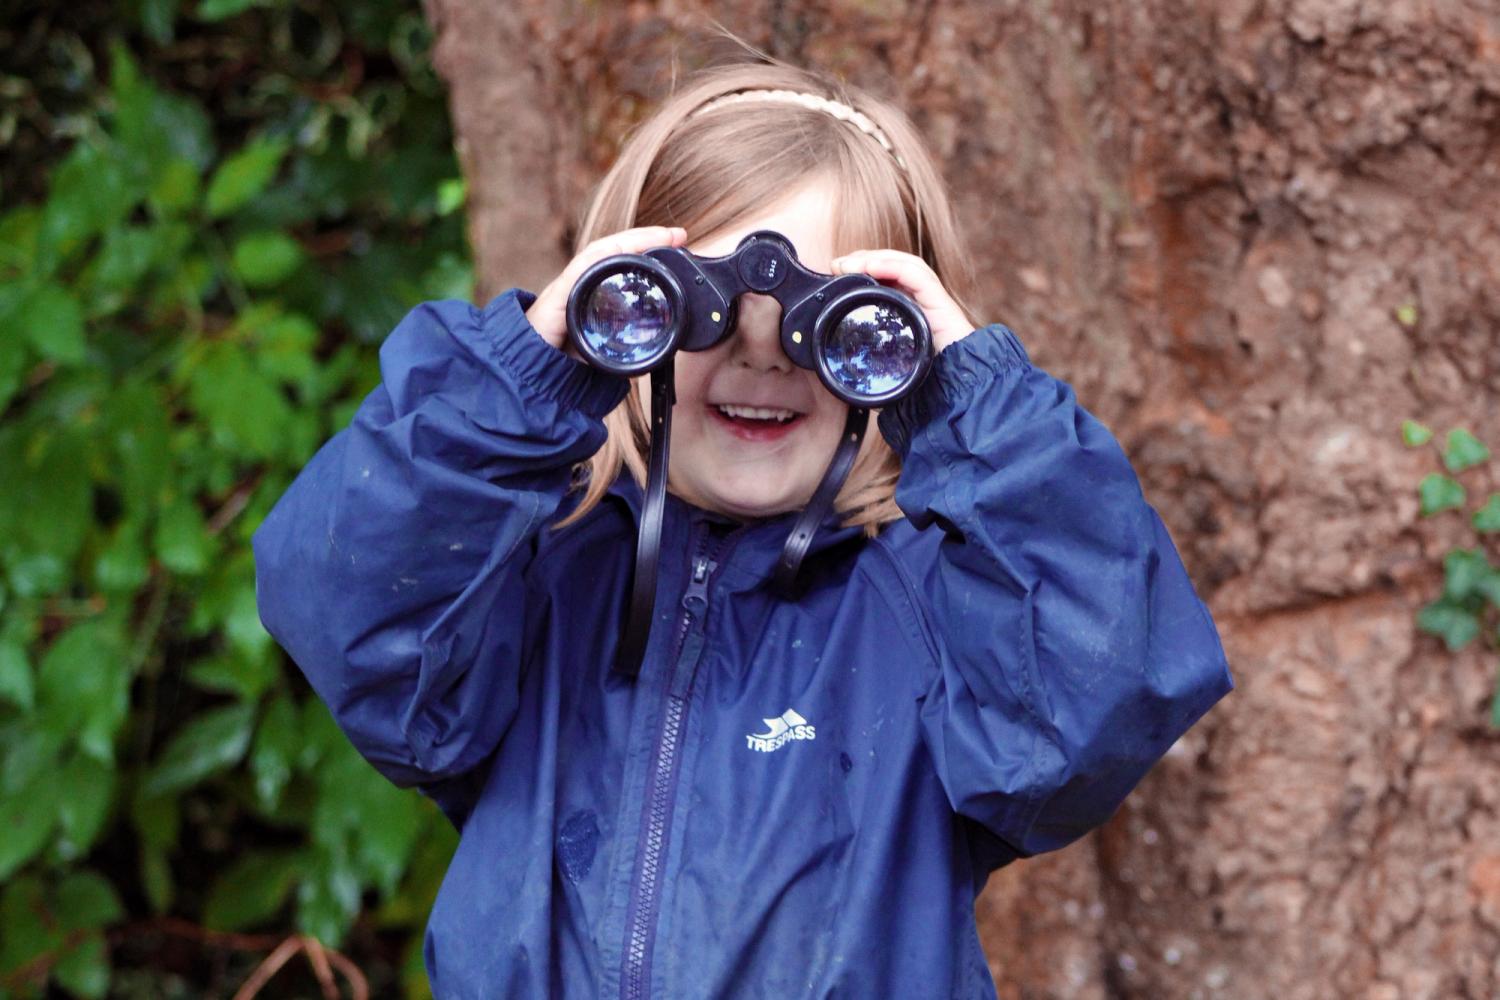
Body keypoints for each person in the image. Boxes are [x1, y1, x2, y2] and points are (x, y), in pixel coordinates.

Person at [252, 52, 1233, 999]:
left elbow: (1100, 696)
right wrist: (518, 381)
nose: (764, 356)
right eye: (698, 313)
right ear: (618, 310)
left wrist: (973, 406)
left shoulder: (928, 607)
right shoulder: (530, 575)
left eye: (835, 324)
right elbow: (353, 612)